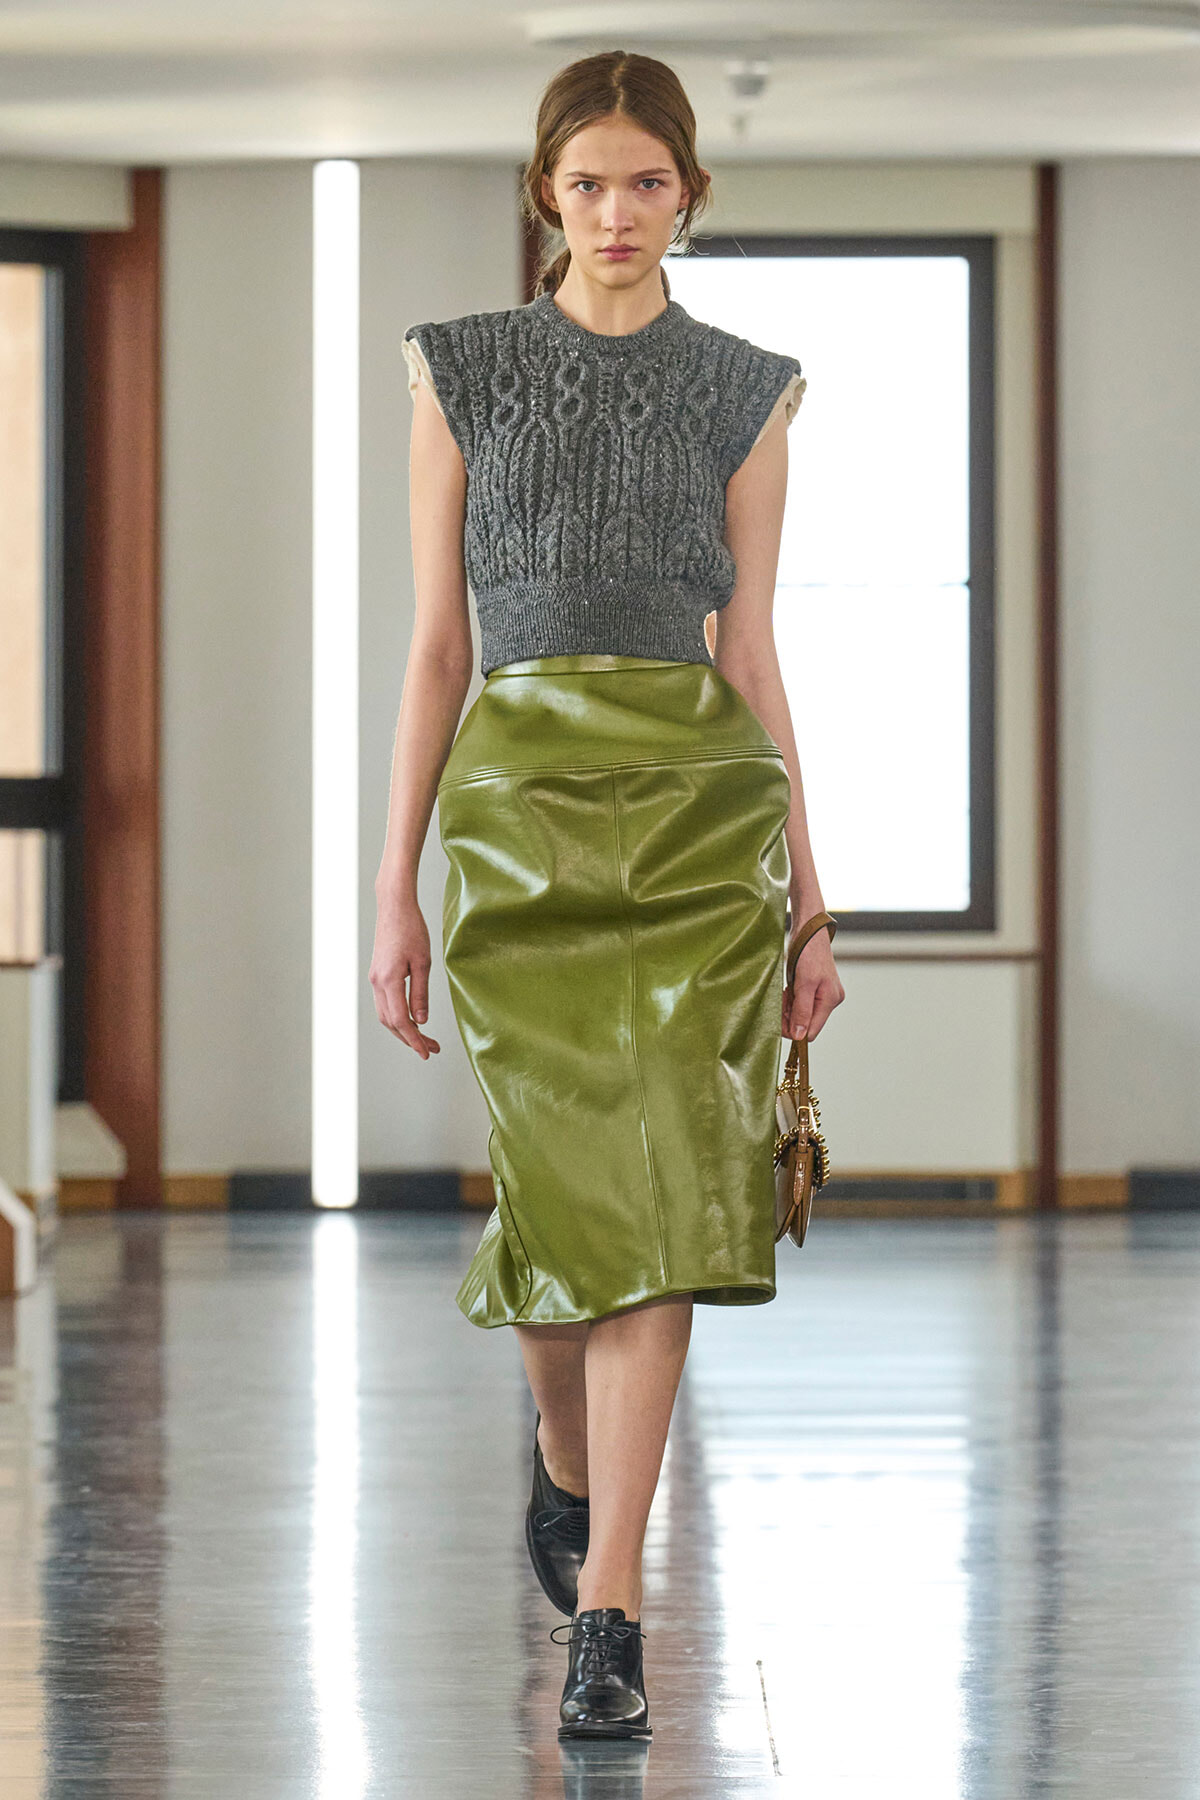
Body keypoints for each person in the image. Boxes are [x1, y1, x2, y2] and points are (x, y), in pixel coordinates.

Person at [370, 48, 844, 1743]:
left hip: (704, 819)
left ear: (690, 197)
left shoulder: (747, 387)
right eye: (589, 184)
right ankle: (566, 1465)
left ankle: (614, 1615)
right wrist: (393, 890)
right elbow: (438, 649)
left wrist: (811, 903)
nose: (620, 213)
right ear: (544, 194)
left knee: (664, 1207)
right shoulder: (464, 372)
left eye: (650, 183)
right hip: (518, 812)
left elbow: (758, 652)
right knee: (559, 1202)